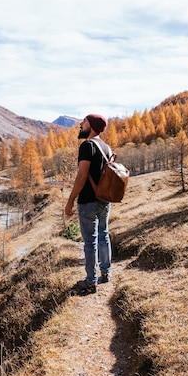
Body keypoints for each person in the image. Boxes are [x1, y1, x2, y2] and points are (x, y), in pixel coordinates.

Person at [65, 114, 112, 295]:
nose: (80, 125)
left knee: (90, 241)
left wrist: (70, 201)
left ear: (91, 125)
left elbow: (82, 176)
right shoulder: (106, 148)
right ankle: (106, 272)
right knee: (103, 235)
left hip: (88, 201)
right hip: (104, 200)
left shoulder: (87, 146)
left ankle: (91, 281)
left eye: (83, 122)